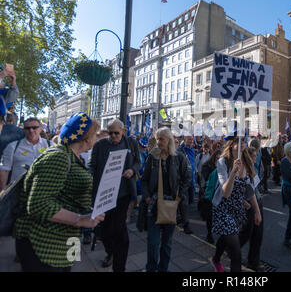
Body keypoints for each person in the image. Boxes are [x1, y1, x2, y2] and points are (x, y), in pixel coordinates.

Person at [13, 112, 104, 272]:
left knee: (68, 267)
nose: (98, 138)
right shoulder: (58, 156)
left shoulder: (76, 157)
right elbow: (37, 204)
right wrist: (80, 219)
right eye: (95, 135)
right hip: (44, 242)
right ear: (85, 138)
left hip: (67, 238)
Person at [89, 119, 141, 272]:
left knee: (119, 228)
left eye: (116, 133)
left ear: (123, 131)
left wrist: (132, 170)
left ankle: (119, 265)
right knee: (104, 230)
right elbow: (91, 165)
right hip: (104, 194)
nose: (113, 136)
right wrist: (89, 178)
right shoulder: (100, 145)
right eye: (110, 132)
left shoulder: (131, 143)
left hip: (123, 193)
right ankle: (110, 252)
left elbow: (138, 162)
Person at [141, 127, 191, 272]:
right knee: (153, 242)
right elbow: (144, 180)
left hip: (171, 206)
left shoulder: (179, 157)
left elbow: (187, 178)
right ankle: (151, 269)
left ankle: (163, 269)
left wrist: (179, 197)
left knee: (167, 243)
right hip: (154, 205)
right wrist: (147, 198)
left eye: (161, 139)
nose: (158, 142)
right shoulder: (152, 156)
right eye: (157, 139)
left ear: (168, 140)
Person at [211, 137, 261, 272]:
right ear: (232, 144)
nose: (242, 144)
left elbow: (250, 190)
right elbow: (225, 193)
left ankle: (215, 259)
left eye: (244, 141)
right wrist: (233, 172)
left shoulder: (247, 161)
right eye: (239, 142)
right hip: (223, 208)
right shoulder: (223, 162)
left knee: (225, 236)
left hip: (237, 209)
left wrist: (257, 211)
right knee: (236, 252)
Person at [0, 117, 53, 191]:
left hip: (44, 190)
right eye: (27, 128)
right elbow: (4, 170)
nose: (31, 130)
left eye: (34, 127)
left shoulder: (51, 146)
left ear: (40, 129)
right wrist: (2, 191)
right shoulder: (13, 146)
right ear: (24, 130)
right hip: (17, 191)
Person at [239, 146, 265, 272]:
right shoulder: (243, 169)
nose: (256, 157)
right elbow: (246, 190)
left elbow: (256, 187)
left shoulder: (253, 168)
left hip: (257, 202)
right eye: (254, 156)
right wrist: (255, 209)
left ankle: (253, 261)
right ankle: (231, 249)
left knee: (257, 234)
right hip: (250, 205)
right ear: (248, 156)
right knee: (247, 232)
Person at [199, 150, 221, 244]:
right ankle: (209, 234)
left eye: (220, 159)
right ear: (214, 157)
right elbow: (204, 180)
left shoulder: (222, 167)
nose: (219, 160)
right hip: (208, 194)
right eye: (217, 158)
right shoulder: (207, 166)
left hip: (218, 194)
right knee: (209, 216)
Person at [177, 134, 196, 234]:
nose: (191, 141)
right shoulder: (180, 151)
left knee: (190, 200)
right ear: (184, 140)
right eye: (189, 139)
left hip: (191, 179)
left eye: (192, 139)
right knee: (184, 202)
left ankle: (180, 216)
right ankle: (186, 224)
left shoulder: (192, 149)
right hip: (183, 180)